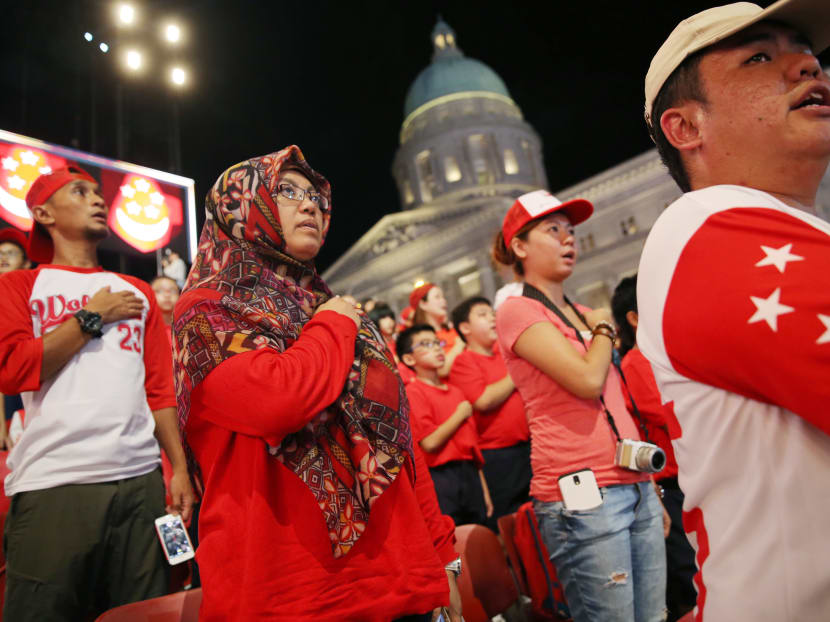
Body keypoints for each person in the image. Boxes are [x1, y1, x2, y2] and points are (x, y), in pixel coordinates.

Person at [172, 146, 461, 621]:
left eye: (314, 196)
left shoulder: (332, 307)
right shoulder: (205, 308)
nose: (310, 205)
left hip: (398, 579)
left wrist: (442, 552)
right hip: (293, 595)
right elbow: (277, 401)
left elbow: (399, 444)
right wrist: (332, 325)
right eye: (286, 191)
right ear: (240, 205)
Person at [638, 2, 830, 619]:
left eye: (804, 50)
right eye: (760, 57)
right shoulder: (706, 225)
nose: (808, 65)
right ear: (686, 128)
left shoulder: (777, 227)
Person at [0, 165, 195, 621]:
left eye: (98, 192)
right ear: (44, 213)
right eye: (81, 191)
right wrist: (90, 317)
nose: (99, 199)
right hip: (55, 481)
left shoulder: (138, 291)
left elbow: (160, 390)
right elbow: (11, 369)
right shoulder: (19, 286)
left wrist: (179, 469)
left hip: (141, 482)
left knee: (140, 613)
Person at [493, 189, 667, 622]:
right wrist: (605, 327)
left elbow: (616, 401)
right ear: (519, 246)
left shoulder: (584, 313)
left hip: (634, 480)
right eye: (553, 230)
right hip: (583, 494)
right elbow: (588, 381)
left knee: (655, 615)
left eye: (570, 231)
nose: (568, 239)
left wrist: (650, 485)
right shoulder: (517, 310)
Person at [612, 276, 696, 622]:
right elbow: (667, 412)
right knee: (690, 581)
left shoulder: (664, 352)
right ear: (634, 317)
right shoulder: (635, 362)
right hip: (672, 484)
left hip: (692, 473)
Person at [449, 296, 531, 529]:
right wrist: (515, 372)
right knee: (511, 523)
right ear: (465, 328)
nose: (492, 319)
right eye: (483, 315)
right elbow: (483, 400)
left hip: (528, 446)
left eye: (491, 313)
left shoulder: (506, 353)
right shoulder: (464, 362)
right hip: (498, 456)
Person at [399, 324, 492, 526]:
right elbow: (430, 442)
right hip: (443, 478)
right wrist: (459, 415)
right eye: (425, 344)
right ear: (409, 359)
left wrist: (483, 488)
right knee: (456, 538)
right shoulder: (414, 392)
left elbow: (472, 449)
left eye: (437, 342)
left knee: (482, 535)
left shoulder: (456, 391)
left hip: (469, 473)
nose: (436, 348)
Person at [0, 228, 31, 450]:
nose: (3, 258)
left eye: (10, 253)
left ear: (26, 262)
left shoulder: (34, 299)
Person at [410, 283, 464, 376]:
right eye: (437, 297)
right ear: (423, 304)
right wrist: (459, 345)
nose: (444, 301)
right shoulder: (420, 339)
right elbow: (440, 370)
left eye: (443, 297)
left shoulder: (452, 330)